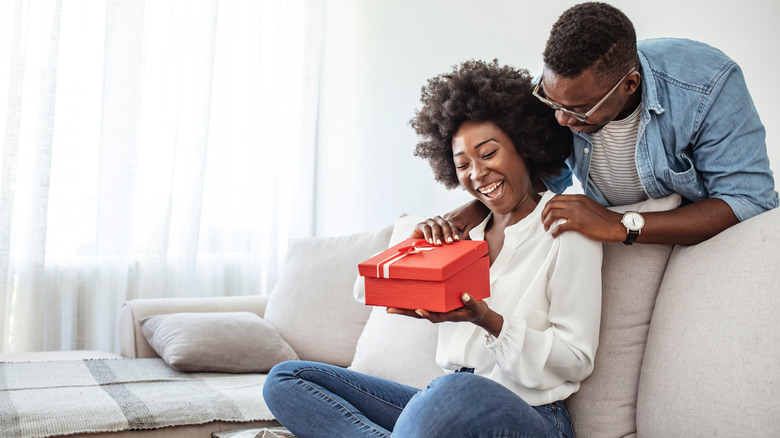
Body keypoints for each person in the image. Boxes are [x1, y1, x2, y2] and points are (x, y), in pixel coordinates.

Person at [262, 60, 602, 438]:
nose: (476, 174)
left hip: (531, 415)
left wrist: (485, 319)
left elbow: (575, 360)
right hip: (442, 411)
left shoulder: (566, 230)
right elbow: (366, 292)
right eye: (462, 165)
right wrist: (415, 247)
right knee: (288, 378)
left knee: (456, 388)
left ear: (525, 146)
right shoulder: (460, 235)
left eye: (488, 154)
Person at [434, 2, 777, 247]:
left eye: (579, 111)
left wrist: (619, 224)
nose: (561, 120)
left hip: (705, 244)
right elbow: (538, 174)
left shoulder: (707, 86)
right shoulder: (556, 92)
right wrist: (476, 208)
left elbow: (749, 200)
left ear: (629, 84)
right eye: (554, 104)